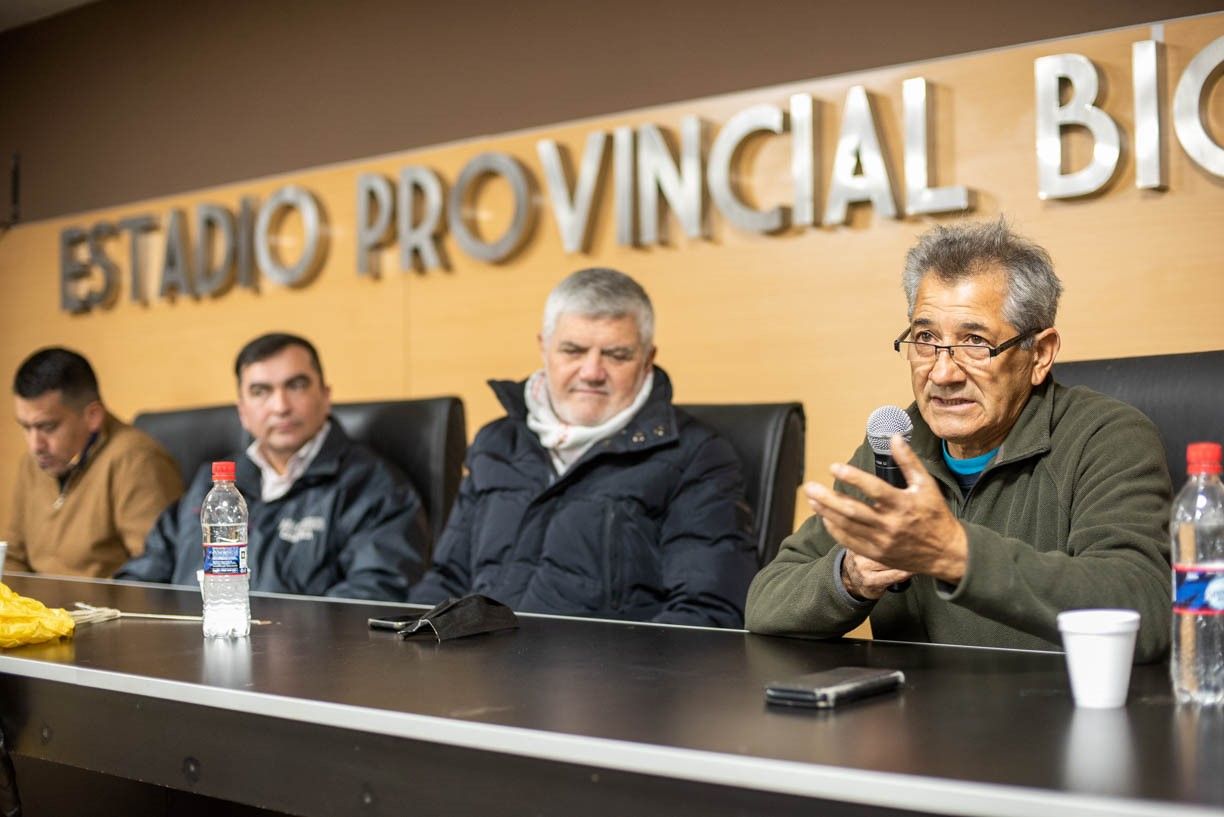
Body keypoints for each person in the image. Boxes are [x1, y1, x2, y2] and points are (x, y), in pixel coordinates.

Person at [746, 220, 1172, 662]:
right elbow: (766, 602)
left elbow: (1145, 610)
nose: (943, 372)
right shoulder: (895, 445)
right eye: (926, 339)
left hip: (1053, 703)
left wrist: (956, 553)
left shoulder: (1105, 437)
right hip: (912, 705)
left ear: (1040, 354)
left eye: (975, 342)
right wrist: (849, 576)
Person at [411, 268, 756, 627]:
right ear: (544, 347)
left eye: (616, 355)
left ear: (647, 359)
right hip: (481, 660)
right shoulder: (495, 444)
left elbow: (707, 613)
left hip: (611, 664)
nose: (592, 372)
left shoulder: (698, 457)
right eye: (573, 350)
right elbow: (445, 583)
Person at [118, 333, 428, 601]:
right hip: (190, 645)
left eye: (296, 385)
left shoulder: (372, 486)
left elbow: (374, 594)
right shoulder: (211, 484)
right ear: (242, 411)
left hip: (306, 651)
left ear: (325, 396)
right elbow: (146, 574)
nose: (280, 406)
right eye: (260, 391)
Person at [6, 347, 183, 577]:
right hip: (37, 601)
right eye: (26, 427)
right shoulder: (34, 463)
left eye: (47, 427)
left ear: (93, 416)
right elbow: (12, 557)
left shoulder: (136, 461)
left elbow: (154, 571)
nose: (35, 445)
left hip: (106, 600)